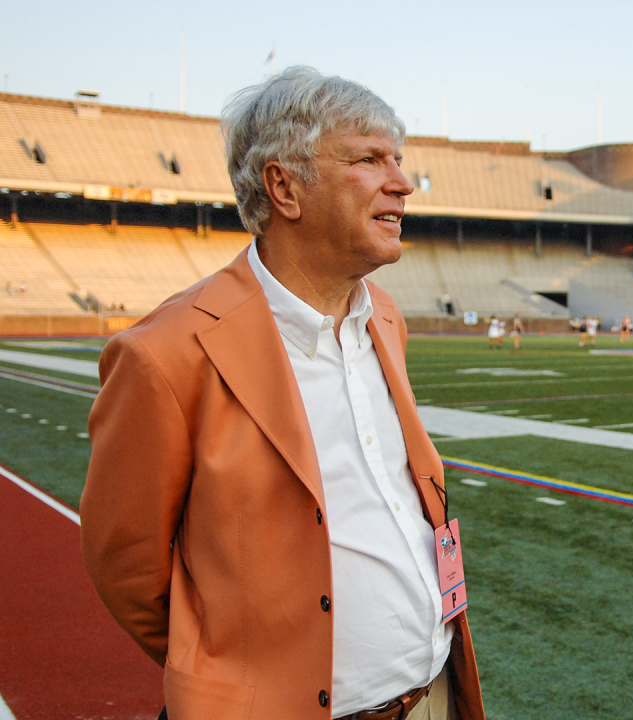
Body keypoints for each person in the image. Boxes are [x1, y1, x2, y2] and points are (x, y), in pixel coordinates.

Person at [79, 68, 483, 720]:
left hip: (432, 696)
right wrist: (241, 682)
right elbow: (128, 571)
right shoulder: (168, 354)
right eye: (369, 159)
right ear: (284, 186)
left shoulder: (382, 316)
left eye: (399, 160)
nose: (402, 182)